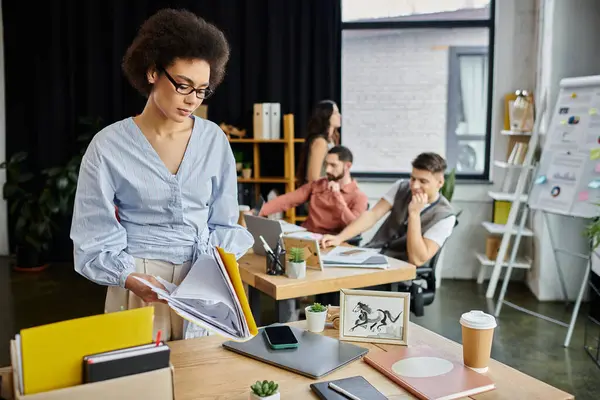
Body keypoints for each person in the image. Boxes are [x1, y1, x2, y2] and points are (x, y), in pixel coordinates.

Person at [70, 9, 253, 341]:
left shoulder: (213, 140)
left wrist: (218, 266)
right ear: (153, 71)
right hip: (138, 279)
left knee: (201, 384)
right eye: (183, 86)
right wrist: (129, 277)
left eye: (202, 90)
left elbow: (224, 223)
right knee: (140, 382)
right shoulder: (109, 146)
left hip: (202, 280)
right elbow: (92, 235)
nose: (192, 100)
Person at [321, 152, 456, 267]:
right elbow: (372, 215)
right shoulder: (401, 187)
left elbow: (417, 259)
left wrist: (414, 214)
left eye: (423, 181)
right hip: (371, 255)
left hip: (398, 269)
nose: (415, 186)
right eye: (413, 178)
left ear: (440, 183)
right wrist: (340, 238)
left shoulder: (445, 216)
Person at [258, 146, 368, 235]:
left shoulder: (359, 196)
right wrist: (259, 211)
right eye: (326, 164)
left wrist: (337, 196)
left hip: (330, 242)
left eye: (333, 165)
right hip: (306, 235)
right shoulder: (318, 184)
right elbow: (288, 200)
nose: (328, 170)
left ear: (347, 166)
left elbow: (355, 227)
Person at [295, 100, 341, 186]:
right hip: (318, 191)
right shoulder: (320, 142)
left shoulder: (333, 139)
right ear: (326, 115)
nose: (339, 116)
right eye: (335, 113)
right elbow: (313, 177)